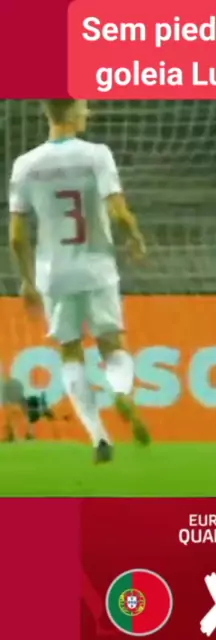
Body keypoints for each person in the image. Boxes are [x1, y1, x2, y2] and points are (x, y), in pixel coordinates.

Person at [9, 99, 150, 463]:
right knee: (112, 345)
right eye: (84, 107)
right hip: (96, 265)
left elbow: (17, 236)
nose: (89, 113)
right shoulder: (97, 155)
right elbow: (118, 211)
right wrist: (135, 237)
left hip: (53, 273)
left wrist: (26, 281)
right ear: (71, 112)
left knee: (70, 352)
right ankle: (121, 392)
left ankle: (99, 437)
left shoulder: (25, 164)